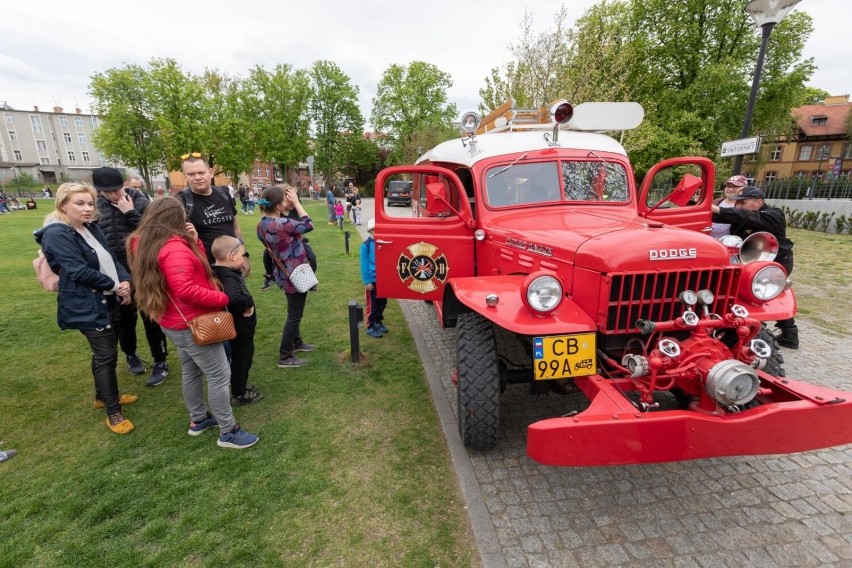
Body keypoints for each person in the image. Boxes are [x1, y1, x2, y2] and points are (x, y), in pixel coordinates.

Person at [128, 198, 259, 449]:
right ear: (174, 218)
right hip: (192, 322)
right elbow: (186, 288)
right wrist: (223, 299)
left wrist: (195, 240)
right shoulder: (173, 248)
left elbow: (194, 266)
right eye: (183, 215)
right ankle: (228, 431)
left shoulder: (145, 243)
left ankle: (198, 419)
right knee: (220, 375)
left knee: (191, 370)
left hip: (172, 321)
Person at [34, 182, 137, 435]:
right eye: (79, 204)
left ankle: (102, 396)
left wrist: (124, 281)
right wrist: (115, 286)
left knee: (104, 353)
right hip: (87, 303)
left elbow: (111, 256)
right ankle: (113, 413)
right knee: (106, 356)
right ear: (62, 206)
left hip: (108, 296)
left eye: (90, 203)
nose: (87, 209)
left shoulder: (90, 227)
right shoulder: (57, 233)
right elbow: (79, 271)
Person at [93, 166, 169, 386]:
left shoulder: (141, 202)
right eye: (106, 192)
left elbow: (153, 235)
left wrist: (129, 212)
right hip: (116, 273)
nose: (112, 195)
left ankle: (160, 360)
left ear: (124, 184)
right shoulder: (97, 207)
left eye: (115, 190)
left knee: (152, 317)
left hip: (144, 271)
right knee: (125, 319)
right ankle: (131, 354)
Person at [711, 186, 798, 348]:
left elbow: (747, 217)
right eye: (738, 203)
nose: (738, 206)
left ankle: (788, 335)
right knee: (760, 294)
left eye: (743, 202)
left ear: (758, 202)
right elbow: (730, 217)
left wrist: (719, 210)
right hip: (754, 262)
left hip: (776, 262)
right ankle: (789, 335)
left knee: (767, 295)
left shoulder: (773, 214)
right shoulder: (744, 215)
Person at [256, 185, 315, 368]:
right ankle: (285, 356)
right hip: (295, 273)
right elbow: (308, 224)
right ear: (278, 206)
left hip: (282, 272)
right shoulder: (282, 224)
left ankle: (296, 342)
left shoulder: (262, 224)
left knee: (293, 311)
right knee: (294, 315)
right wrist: (296, 202)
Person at [211, 236, 263, 406]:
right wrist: (247, 304)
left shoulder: (219, 271)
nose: (244, 259)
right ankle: (239, 394)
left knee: (239, 358)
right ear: (232, 256)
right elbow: (233, 297)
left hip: (235, 327)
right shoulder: (228, 276)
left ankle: (239, 386)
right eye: (243, 255)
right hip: (240, 328)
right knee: (243, 358)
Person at [176, 152, 248, 272]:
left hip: (233, 266)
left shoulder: (224, 194)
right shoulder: (181, 201)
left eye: (201, 172)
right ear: (185, 176)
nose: (197, 177)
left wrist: (244, 257)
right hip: (206, 270)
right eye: (191, 174)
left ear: (211, 172)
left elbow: (236, 228)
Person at [361, 218, 389, 338]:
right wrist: (367, 281)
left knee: (382, 302)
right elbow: (364, 264)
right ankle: (370, 325)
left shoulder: (383, 243)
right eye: (377, 230)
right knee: (372, 304)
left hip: (382, 279)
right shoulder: (366, 246)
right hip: (372, 280)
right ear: (371, 231)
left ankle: (378, 321)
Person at [711, 174, 747, 240]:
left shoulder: (745, 206)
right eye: (728, 186)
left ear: (744, 189)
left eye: (735, 187)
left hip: (729, 245)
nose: (730, 189)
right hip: (709, 241)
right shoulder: (715, 202)